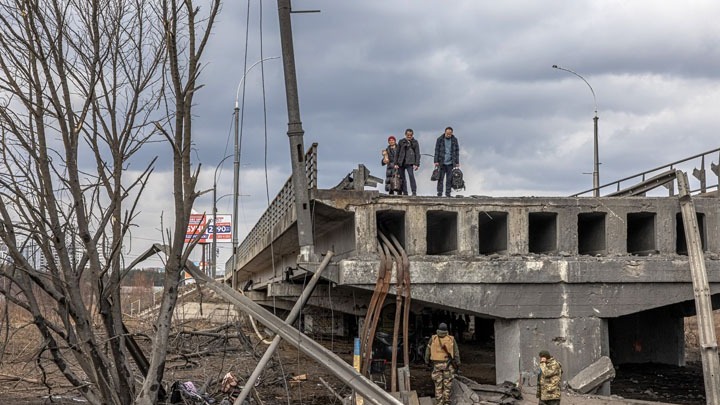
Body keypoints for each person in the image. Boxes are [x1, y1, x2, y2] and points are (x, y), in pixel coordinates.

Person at [424, 323, 460, 405]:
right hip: (448, 365)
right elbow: (456, 353)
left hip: (437, 366)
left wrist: (427, 362)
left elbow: (427, 352)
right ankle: (447, 402)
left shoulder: (433, 339)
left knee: (438, 385)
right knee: (447, 385)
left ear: (438, 330)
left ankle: (439, 403)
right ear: (446, 330)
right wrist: (458, 364)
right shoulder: (451, 339)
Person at [433, 126, 460, 197]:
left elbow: (457, 151)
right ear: (445, 132)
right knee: (440, 179)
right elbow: (436, 150)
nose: (448, 135)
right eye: (447, 134)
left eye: (450, 134)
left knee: (449, 179)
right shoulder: (439, 139)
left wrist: (457, 162)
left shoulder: (454, 140)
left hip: (451, 163)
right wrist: (436, 161)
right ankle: (439, 193)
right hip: (441, 162)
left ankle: (448, 194)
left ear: (452, 133)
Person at [396, 128, 420, 196]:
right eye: (408, 135)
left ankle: (414, 192)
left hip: (410, 163)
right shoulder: (401, 141)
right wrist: (396, 163)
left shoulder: (415, 142)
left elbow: (417, 153)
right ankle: (405, 192)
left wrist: (417, 164)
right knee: (402, 178)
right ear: (405, 135)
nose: (409, 136)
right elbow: (397, 153)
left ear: (412, 135)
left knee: (411, 176)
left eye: (410, 135)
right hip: (401, 162)